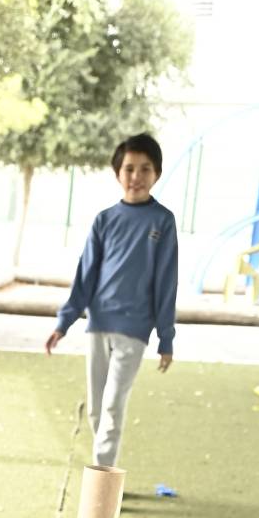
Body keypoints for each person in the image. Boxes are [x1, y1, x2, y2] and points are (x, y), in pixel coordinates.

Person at [44, 133, 178, 471]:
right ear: (118, 173)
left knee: (114, 406)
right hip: (98, 324)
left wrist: (166, 337)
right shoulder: (104, 220)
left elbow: (166, 282)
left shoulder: (163, 221)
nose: (136, 176)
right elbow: (86, 275)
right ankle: (105, 472)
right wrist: (64, 322)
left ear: (157, 174)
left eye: (145, 169)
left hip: (134, 329)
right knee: (96, 408)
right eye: (129, 168)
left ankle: (101, 481)